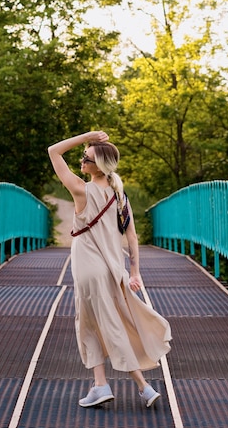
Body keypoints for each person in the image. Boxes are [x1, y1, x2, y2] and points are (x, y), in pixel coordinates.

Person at [48, 130, 171, 409]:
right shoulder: (119, 197)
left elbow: (53, 151)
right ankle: (102, 385)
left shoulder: (81, 189)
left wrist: (86, 137)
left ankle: (141, 386)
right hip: (113, 270)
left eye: (87, 158)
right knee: (103, 323)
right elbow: (132, 237)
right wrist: (135, 271)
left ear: (98, 166)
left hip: (89, 270)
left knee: (95, 324)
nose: (82, 161)